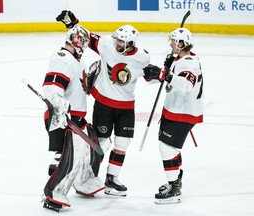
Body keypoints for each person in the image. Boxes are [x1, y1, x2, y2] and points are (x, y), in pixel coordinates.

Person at [56, 10, 157, 196]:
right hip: (104, 104)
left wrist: (159, 75)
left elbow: (152, 79)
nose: (117, 43)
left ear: (131, 44)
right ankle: (87, 178)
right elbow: (87, 37)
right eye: (117, 39)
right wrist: (72, 23)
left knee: (122, 143)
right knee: (101, 143)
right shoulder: (107, 45)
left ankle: (112, 179)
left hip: (126, 107)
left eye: (121, 42)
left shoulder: (142, 56)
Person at [41, 25, 105, 212]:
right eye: (83, 41)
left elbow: (79, 90)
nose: (85, 45)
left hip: (77, 119)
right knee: (65, 158)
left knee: (88, 153)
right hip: (62, 118)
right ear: (75, 41)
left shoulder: (80, 63)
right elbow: (52, 87)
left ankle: (85, 182)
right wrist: (60, 109)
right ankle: (52, 195)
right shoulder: (62, 58)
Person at [143, 28, 204, 204]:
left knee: (167, 148)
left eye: (173, 41)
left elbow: (186, 85)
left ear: (181, 44)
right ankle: (175, 181)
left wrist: (166, 75)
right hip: (175, 110)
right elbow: (168, 78)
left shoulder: (189, 63)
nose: (170, 44)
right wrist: (158, 74)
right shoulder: (181, 59)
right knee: (170, 148)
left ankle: (174, 188)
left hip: (183, 113)